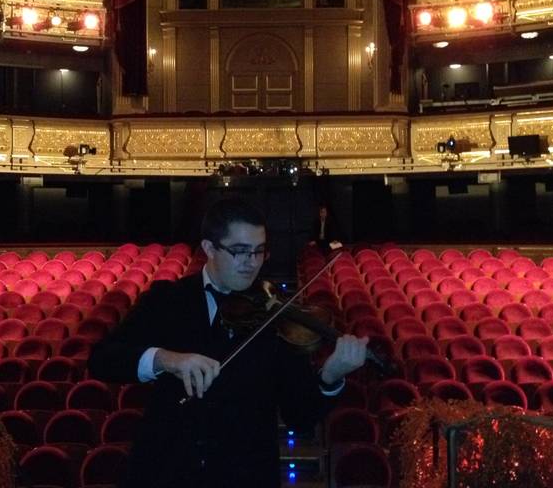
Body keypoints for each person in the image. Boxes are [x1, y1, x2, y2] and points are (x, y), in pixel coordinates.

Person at [87, 198, 368, 488]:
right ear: (209, 248)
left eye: (260, 251)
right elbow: (101, 359)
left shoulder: (277, 316)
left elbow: (299, 416)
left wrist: (331, 375)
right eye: (240, 251)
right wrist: (165, 359)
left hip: (246, 475)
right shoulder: (167, 299)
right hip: (168, 470)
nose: (252, 263)